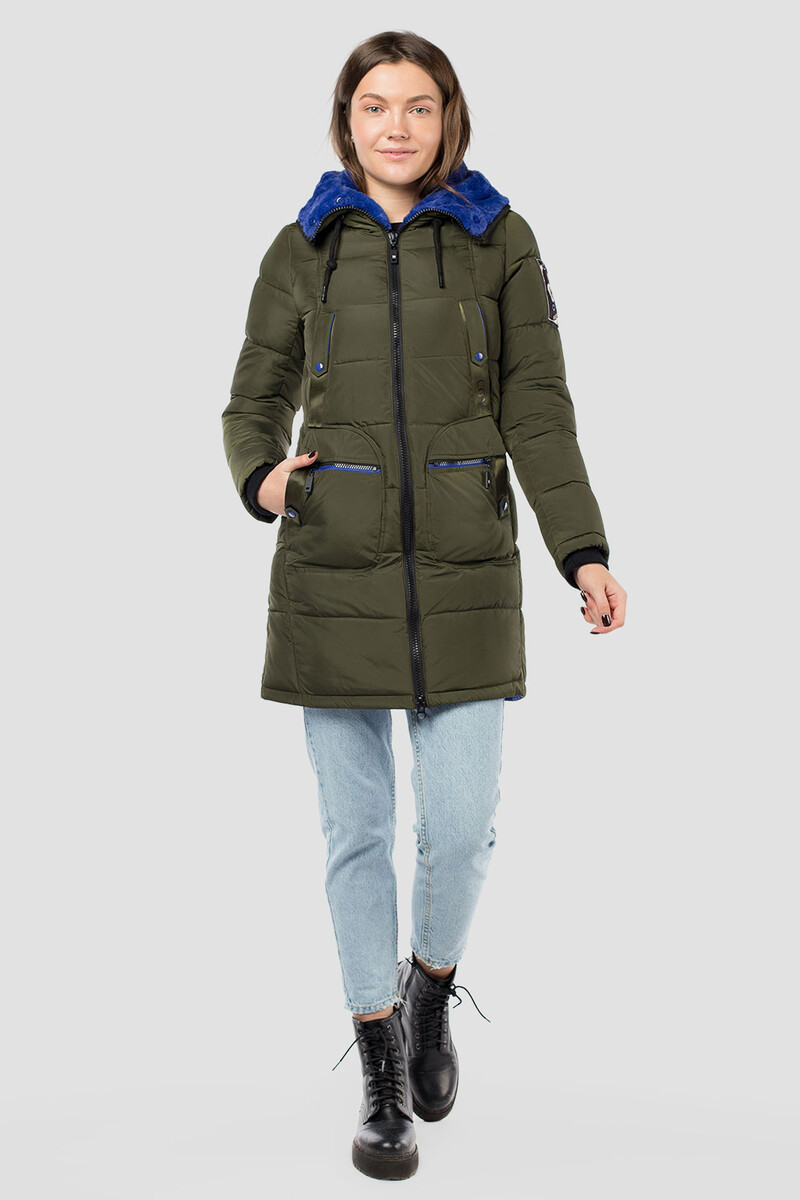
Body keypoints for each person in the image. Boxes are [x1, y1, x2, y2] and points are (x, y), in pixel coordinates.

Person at [221, 30, 627, 1182]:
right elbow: (250, 398)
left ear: (448, 118)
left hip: (466, 573)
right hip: (329, 572)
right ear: (345, 120)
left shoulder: (501, 240)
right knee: (354, 837)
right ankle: (380, 1071)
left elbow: (538, 408)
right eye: (372, 105)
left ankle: (430, 987)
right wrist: (261, 479)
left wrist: (581, 551)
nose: (394, 125)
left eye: (416, 105)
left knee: (458, 829)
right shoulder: (302, 248)